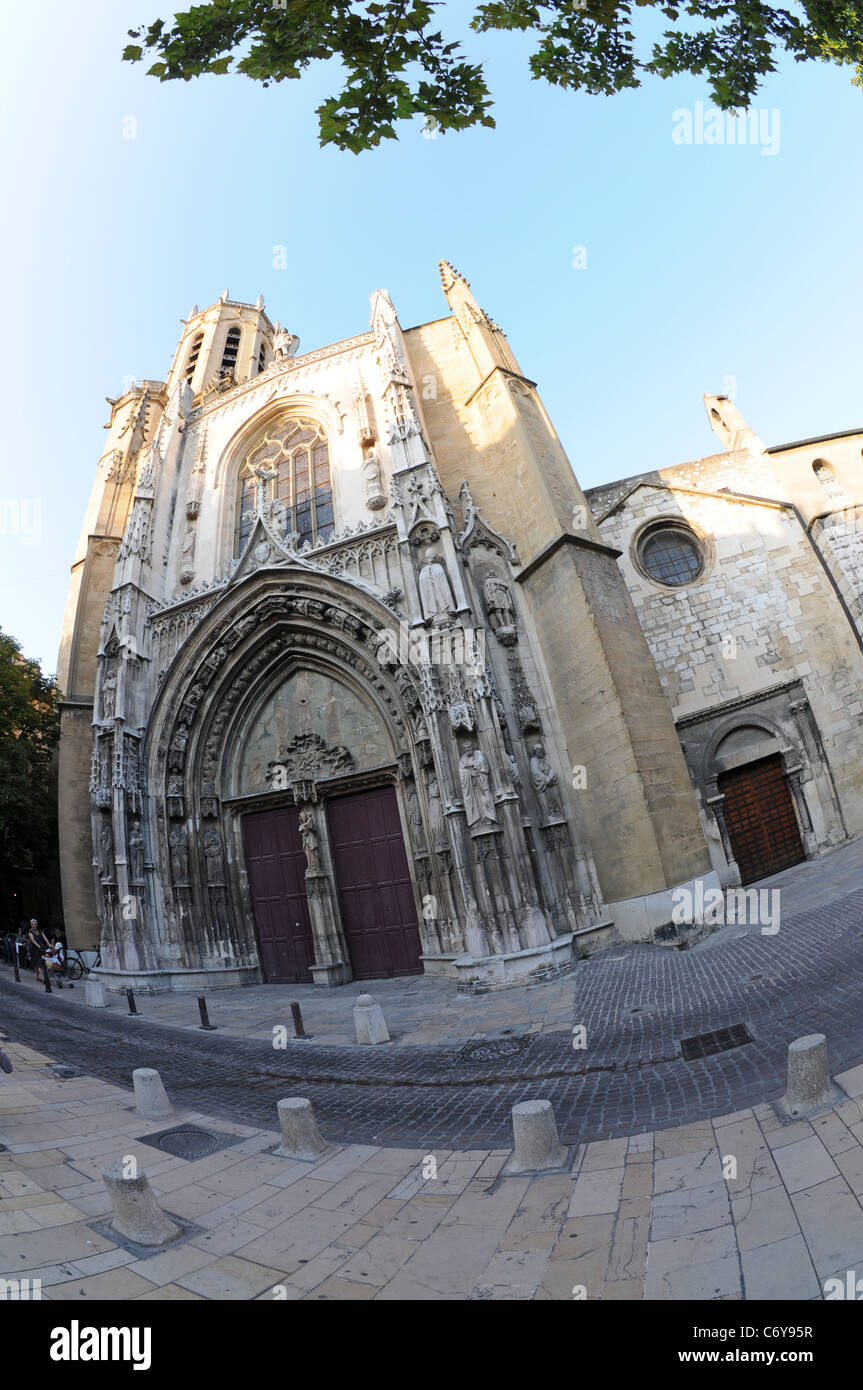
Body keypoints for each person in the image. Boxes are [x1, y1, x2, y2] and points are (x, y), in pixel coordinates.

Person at [27, 919, 50, 983]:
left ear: (37, 924)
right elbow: (33, 941)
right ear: (31, 925)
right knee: (37, 963)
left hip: (41, 948)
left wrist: (48, 944)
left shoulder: (40, 931)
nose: (34, 925)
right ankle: (42, 977)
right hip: (34, 949)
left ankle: (38, 976)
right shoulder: (30, 932)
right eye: (32, 924)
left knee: (42, 961)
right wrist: (38, 946)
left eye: (35, 924)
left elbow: (45, 937)